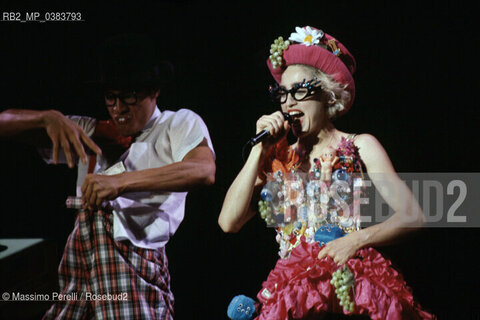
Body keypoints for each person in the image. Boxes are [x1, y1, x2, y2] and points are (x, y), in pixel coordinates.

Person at [218, 26, 435, 319]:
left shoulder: (361, 145)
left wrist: (355, 240)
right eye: (282, 94)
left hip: (349, 289)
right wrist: (260, 150)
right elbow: (228, 222)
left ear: (328, 95)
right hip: (295, 293)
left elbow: (414, 216)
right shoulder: (277, 159)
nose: (288, 102)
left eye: (299, 91)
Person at [0, 33, 216, 319]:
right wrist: (45, 117)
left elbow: (203, 170)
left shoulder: (176, 123)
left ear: (155, 91)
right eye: (110, 97)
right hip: (82, 256)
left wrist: (120, 182)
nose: (118, 108)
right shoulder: (91, 132)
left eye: (130, 95)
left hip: (132, 261)